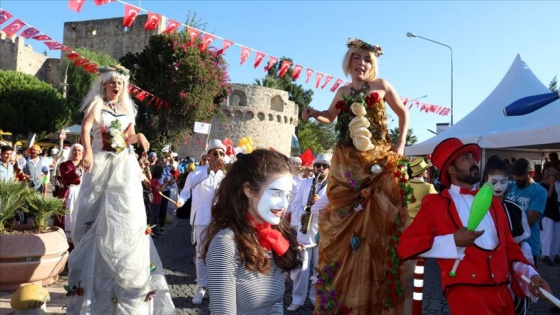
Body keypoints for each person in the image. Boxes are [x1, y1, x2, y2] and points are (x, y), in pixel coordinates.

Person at [302, 38, 410, 312]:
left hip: (377, 161)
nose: (361, 63)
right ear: (348, 62)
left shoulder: (382, 86)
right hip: (347, 165)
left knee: (379, 222)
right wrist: (315, 113)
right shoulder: (342, 90)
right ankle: (344, 289)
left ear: (373, 64)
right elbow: (330, 115)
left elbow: (403, 113)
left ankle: (378, 290)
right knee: (345, 220)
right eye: (356, 58)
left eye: (366, 59)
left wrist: (399, 145)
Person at [398, 138, 552, 314]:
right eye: (465, 158)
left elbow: (510, 248)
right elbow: (406, 246)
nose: (474, 161)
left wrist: (531, 275)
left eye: (472, 157)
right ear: (451, 169)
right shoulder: (436, 204)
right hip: (466, 294)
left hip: (503, 293)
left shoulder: (492, 202)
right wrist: (453, 240)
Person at [66, 65, 175, 314]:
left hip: (124, 165)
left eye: (120, 84)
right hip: (102, 162)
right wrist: (89, 152)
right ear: (103, 84)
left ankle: (127, 279)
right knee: (96, 217)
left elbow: (130, 136)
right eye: (111, 83)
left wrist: (141, 139)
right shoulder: (96, 104)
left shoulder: (127, 109)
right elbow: (85, 128)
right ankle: (92, 287)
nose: (116, 87)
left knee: (127, 216)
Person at [203, 149, 302, 314]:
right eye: (277, 193)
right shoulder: (226, 244)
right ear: (249, 190)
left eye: (288, 195)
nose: (284, 204)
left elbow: (275, 303)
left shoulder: (275, 237)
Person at [176, 139, 227, 305]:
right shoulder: (197, 173)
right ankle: (201, 287)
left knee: (217, 255)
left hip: (219, 221)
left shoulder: (226, 176)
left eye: (221, 153)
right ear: (208, 156)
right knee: (200, 254)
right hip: (202, 219)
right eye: (215, 153)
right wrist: (181, 202)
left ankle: (214, 287)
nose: (218, 156)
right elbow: (185, 192)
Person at [482, 155, 533, 314]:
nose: (498, 186)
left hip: (511, 275)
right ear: (486, 180)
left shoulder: (514, 210)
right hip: (484, 276)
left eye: (503, 181)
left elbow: (521, 244)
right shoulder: (472, 208)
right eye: (493, 180)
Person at [287, 153, 331, 311]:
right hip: (305, 231)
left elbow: (334, 209)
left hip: (322, 232)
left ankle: (314, 298)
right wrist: (303, 215)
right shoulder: (305, 184)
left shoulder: (332, 186)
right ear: (313, 167)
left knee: (318, 268)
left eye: (324, 166)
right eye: (318, 165)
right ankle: (297, 299)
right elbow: (296, 204)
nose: (320, 168)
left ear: (329, 169)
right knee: (301, 268)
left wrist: (319, 205)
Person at [506, 158, 547, 264]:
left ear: (532, 173)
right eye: (514, 175)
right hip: (508, 245)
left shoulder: (539, 191)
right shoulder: (510, 185)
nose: (515, 178)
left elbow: (529, 221)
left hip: (529, 246)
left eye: (520, 175)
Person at [56, 143, 84, 246]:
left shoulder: (87, 164)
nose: (77, 152)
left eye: (79, 151)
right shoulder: (65, 165)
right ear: (71, 152)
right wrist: (79, 167)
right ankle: (68, 242)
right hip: (70, 193)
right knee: (69, 215)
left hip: (82, 192)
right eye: (75, 150)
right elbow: (68, 178)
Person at [540, 167, 560, 266]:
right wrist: (551, 184)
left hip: (555, 213)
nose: (556, 178)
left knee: (556, 235)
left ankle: (555, 253)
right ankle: (546, 254)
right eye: (554, 176)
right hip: (547, 213)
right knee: (547, 235)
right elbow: (547, 196)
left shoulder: (555, 185)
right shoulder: (542, 185)